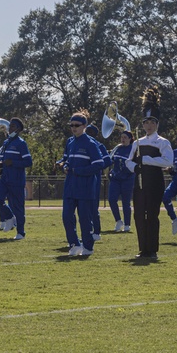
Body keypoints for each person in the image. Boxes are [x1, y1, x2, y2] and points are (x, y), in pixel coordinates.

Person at [127, 87, 174, 259]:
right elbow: (128, 161)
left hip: (155, 183)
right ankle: (142, 249)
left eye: (152, 122)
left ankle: (152, 250)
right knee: (139, 214)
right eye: (146, 122)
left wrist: (146, 160)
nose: (148, 125)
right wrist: (134, 167)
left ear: (157, 124)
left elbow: (168, 161)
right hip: (139, 183)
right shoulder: (137, 142)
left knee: (152, 215)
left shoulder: (163, 142)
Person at [59, 110, 106, 257]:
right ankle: (74, 244)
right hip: (70, 186)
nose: (74, 128)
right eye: (71, 125)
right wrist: (63, 165)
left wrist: (78, 170)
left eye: (77, 125)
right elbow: (65, 159)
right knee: (66, 215)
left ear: (84, 126)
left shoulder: (90, 144)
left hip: (85, 187)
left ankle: (88, 246)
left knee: (84, 219)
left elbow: (99, 164)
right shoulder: (70, 141)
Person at [0, 118, 32, 240]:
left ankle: (21, 232)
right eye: (10, 126)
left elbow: (28, 162)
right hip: (5, 177)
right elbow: (4, 159)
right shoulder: (6, 142)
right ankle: (9, 217)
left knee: (18, 206)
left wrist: (13, 162)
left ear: (19, 129)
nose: (10, 128)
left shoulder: (21, 143)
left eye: (13, 126)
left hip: (17, 180)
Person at [85, 123, 110, 240]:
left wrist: (96, 166)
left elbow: (107, 161)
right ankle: (88, 230)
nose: (88, 134)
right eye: (87, 131)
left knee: (93, 206)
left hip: (94, 177)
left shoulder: (99, 146)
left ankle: (96, 230)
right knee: (83, 207)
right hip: (82, 177)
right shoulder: (81, 143)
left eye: (91, 132)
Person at [107, 130, 135, 232]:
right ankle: (118, 221)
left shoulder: (133, 149)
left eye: (125, 137)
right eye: (122, 137)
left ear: (130, 139)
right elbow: (111, 160)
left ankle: (127, 224)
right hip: (115, 179)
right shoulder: (118, 148)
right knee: (111, 199)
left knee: (125, 203)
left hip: (127, 179)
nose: (123, 139)